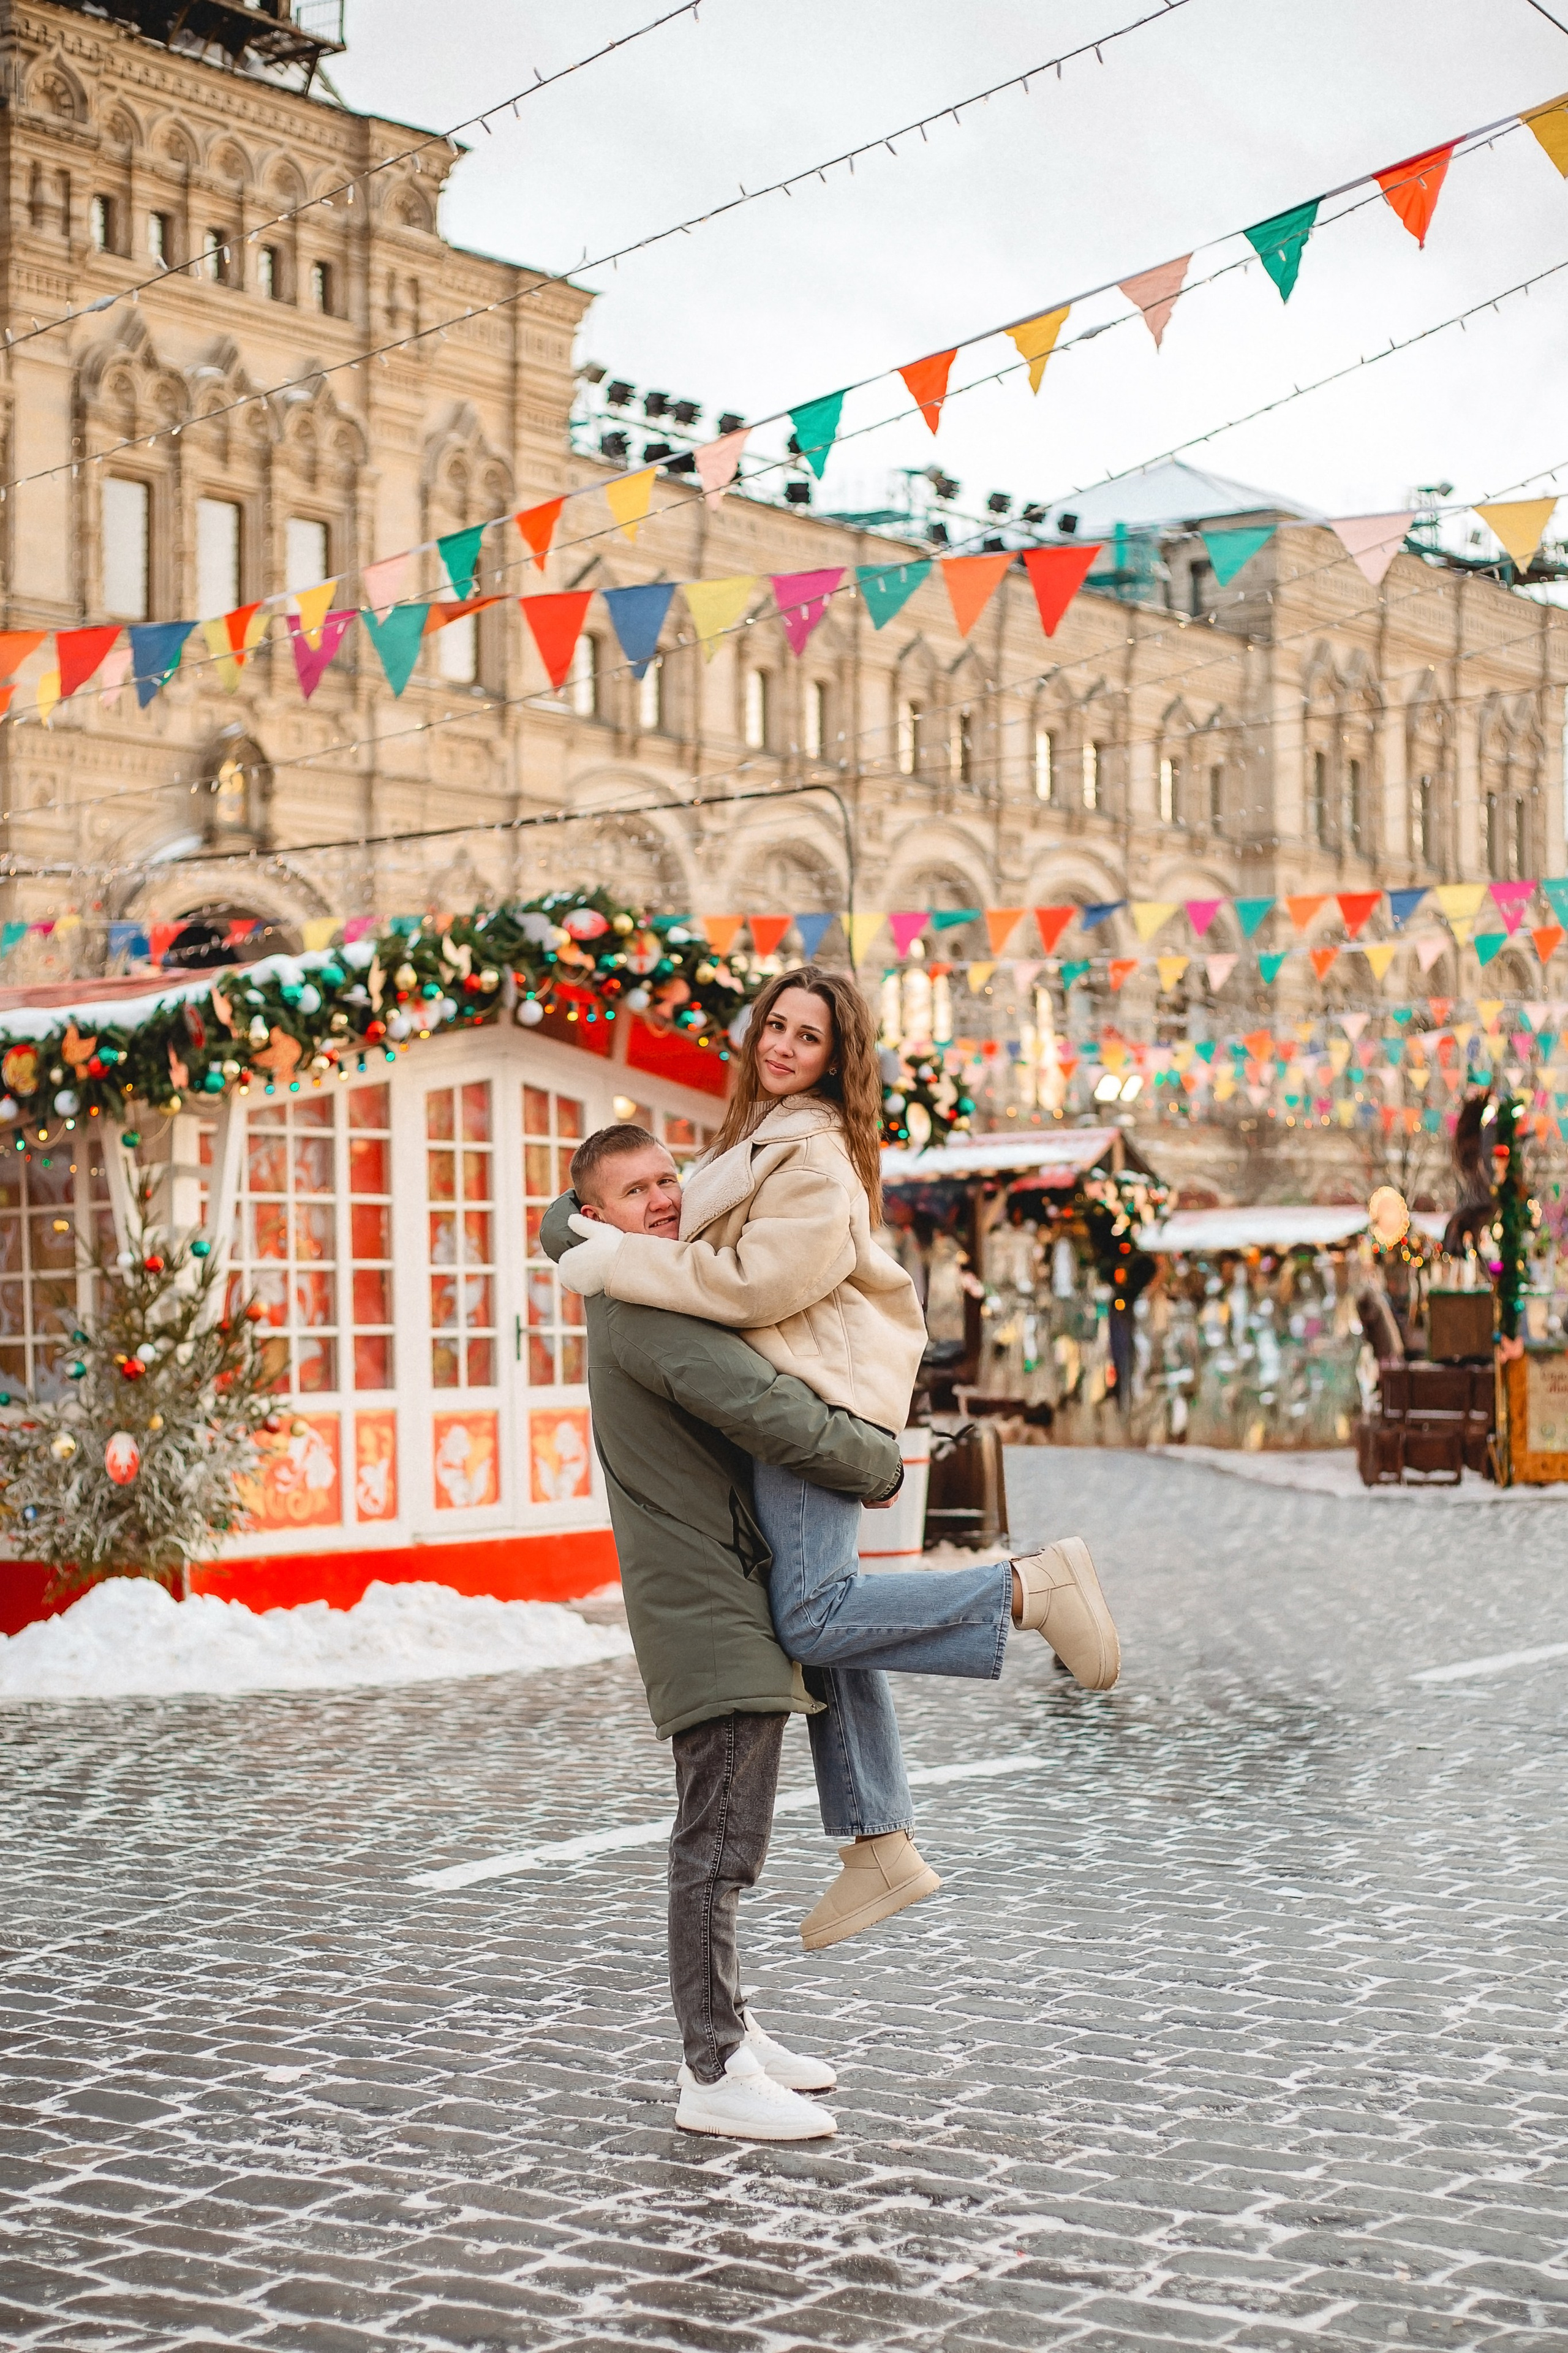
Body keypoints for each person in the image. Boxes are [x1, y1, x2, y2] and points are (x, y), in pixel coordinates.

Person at [557, 965, 1121, 1956]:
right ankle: (879, 1840)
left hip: (814, 1400)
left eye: (805, 1037)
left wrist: (607, 1257)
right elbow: (651, 1204)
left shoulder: (814, 1160)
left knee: (813, 1614)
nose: (780, 1045)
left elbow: (749, 1286)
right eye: (774, 1025)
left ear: (836, 1058)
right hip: (794, 1394)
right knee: (826, 1622)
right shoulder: (755, 1142)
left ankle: (1028, 1589)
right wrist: (580, 1227)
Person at [537, 1127, 905, 2145]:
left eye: (667, 1178)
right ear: (595, 1215)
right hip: (708, 1605)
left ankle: (729, 2027)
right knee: (716, 1845)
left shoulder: (632, 1282)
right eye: (632, 1191)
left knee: (722, 1835)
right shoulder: (642, 1304)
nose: (659, 1200)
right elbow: (765, 1407)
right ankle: (712, 2065)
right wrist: (875, 1463)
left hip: (718, 1587)